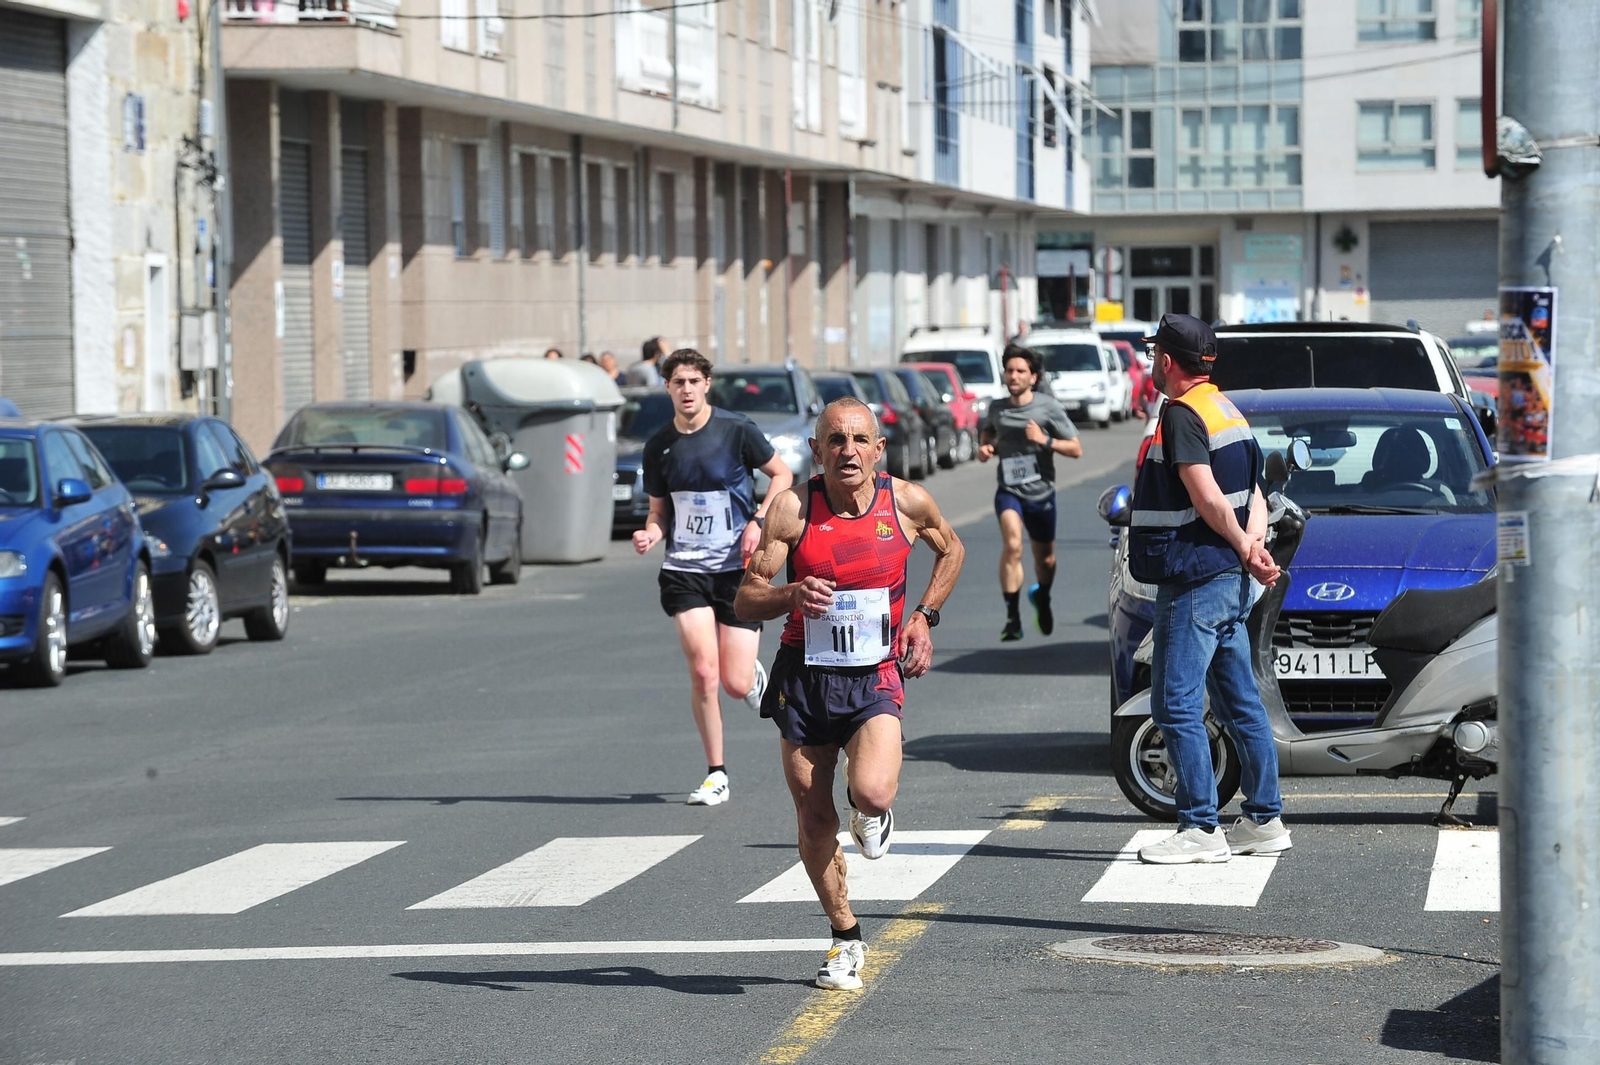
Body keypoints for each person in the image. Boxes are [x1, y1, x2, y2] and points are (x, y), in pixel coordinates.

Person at [735, 398, 964, 991]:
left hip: (874, 672)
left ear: (879, 448)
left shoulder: (906, 502)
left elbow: (952, 548)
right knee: (813, 816)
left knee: (872, 790)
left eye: (860, 439)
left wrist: (924, 616)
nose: (848, 451)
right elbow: (744, 598)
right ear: (816, 451)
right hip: (804, 675)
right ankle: (844, 938)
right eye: (834, 440)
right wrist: (790, 595)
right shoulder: (792, 509)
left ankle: (871, 812)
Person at [1126, 313, 1290, 865]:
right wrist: (1254, 546)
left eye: (1154, 354)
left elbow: (1209, 498)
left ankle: (1201, 826)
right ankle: (1265, 820)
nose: (1152, 362)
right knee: (1240, 703)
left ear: (1167, 361)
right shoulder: (1227, 410)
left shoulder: (1181, 414)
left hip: (1195, 578)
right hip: (1228, 582)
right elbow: (1257, 495)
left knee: (1175, 706)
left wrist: (1247, 550)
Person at [634, 348, 796, 806]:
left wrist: (759, 521)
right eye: (677, 382)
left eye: (693, 381)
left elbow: (781, 475)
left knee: (735, 683)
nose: (685, 389)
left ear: (707, 384)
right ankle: (716, 773)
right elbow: (658, 513)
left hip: (735, 572)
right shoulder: (659, 445)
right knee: (704, 672)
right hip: (684, 571)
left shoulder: (736, 429)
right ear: (667, 387)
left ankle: (752, 680)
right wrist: (649, 534)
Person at [977, 344, 1082, 641]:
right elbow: (988, 431)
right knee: (1013, 545)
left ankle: (1043, 596)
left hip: (1041, 493)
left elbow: (1076, 448)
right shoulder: (997, 408)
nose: (1013, 376)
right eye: (1009, 370)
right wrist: (986, 447)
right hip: (1009, 490)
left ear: (1033, 377)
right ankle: (1012, 618)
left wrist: (1045, 440)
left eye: (1020, 371)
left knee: (1045, 559)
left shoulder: (1048, 407)